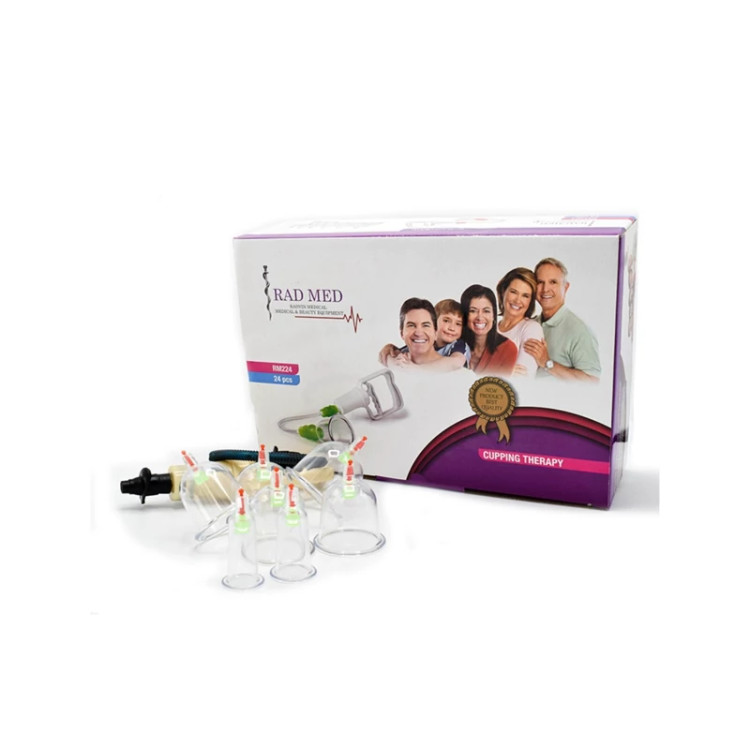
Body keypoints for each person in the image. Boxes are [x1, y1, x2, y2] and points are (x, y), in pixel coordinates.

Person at [523, 258, 601, 382]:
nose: (545, 289)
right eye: (540, 282)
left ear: (566, 287)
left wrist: (547, 363)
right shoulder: (531, 325)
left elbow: (592, 381)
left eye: (553, 282)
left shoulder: (580, 331)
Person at [379, 298, 469, 370]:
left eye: (458, 324)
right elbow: (392, 355)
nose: (452, 328)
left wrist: (416, 369)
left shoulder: (459, 345)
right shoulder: (423, 342)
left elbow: (455, 363)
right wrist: (390, 349)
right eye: (446, 320)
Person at [496, 267, 545, 376]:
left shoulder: (531, 329)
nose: (518, 300)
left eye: (525, 296)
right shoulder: (489, 328)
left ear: (530, 301)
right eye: (513, 292)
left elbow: (522, 376)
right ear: (503, 291)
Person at [460, 284, 517, 376]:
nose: (480, 317)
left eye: (486, 311)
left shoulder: (508, 349)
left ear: (493, 315)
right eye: (473, 311)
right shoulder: (453, 344)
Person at [384, 298, 445, 368]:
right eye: (411, 325)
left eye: (425, 325)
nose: (418, 333)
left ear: (436, 333)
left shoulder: (450, 369)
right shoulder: (393, 366)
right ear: (402, 333)